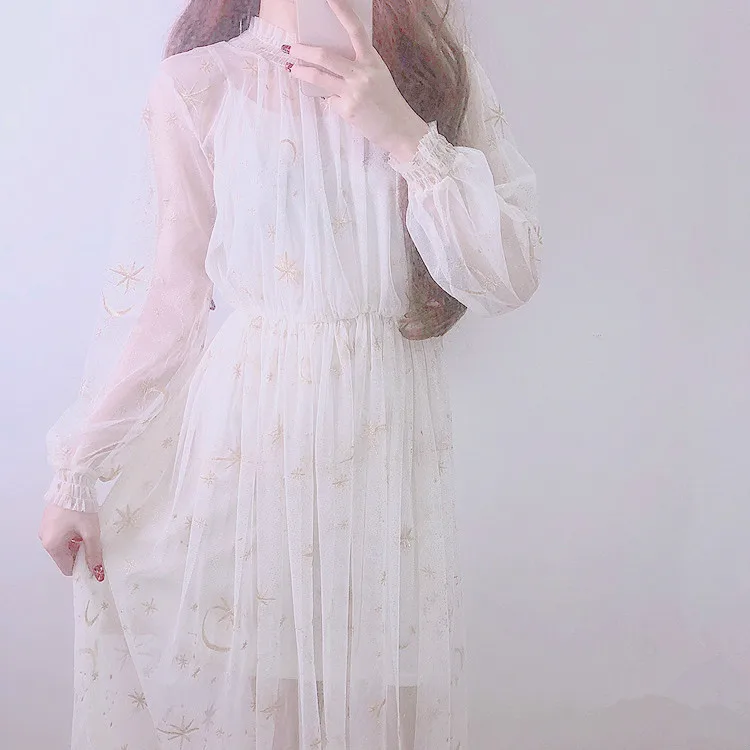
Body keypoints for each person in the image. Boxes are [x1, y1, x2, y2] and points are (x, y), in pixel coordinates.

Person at [38, 0, 542, 746]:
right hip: (248, 449)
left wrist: (404, 133)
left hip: (387, 451)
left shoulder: (432, 73)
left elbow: (509, 274)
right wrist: (81, 470)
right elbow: (169, 302)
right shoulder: (201, 83)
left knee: (385, 706)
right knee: (261, 705)